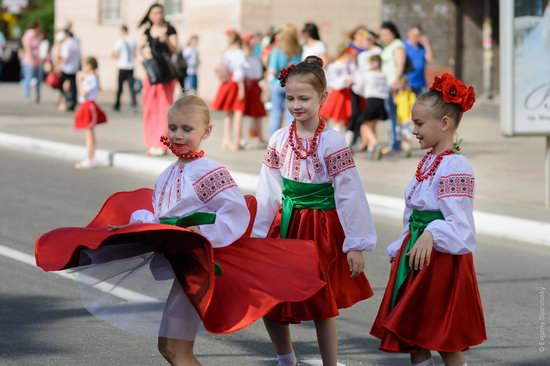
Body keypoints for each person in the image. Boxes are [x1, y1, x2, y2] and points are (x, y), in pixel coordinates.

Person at [35, 94, 326, 366]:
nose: (177, 135)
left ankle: (287, 358)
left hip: (204, 265)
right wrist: (134, 224)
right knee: (169, 347)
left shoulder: (208, 171)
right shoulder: (169, 173)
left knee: (174, 348)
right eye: (173, 127)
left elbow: (235, 211)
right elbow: (163, 215)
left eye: (187, 128)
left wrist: (202, 232)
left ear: (206, 132)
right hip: (186, 264)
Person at [254, 56, 377, 366]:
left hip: (320, 228)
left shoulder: (332, 142)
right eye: (290, 98)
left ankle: (330, 364)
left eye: (304, 98)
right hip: (287, 223)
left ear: (323, 98)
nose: (297, 105)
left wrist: (356, 243)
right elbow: (268, 187)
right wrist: (258, 231)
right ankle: (286, 358)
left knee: (322, 303)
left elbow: (350, 193)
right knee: (271, 295)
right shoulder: (280, 139)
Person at [370, 73, 486, 366]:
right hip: (417, 253)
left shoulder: (455, 165)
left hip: (442, 261)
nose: (413, 131)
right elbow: (412, 213)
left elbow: (461, 226)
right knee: (413, 334)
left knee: (444, 338)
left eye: (419, 124)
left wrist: (432, 233)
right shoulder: (429, 162)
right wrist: (402, 245)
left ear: (444, 124)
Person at [139, 3, 179, 156]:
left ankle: (162, 144)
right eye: (154, 13)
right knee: (150, 109)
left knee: (164, 109)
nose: (157, 15)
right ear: (150, 15)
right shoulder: (147, 31)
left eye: (159, 12)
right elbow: (141, 48)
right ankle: (151, 142)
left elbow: (175, 48)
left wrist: (166, 40)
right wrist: (145, 52)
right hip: (152, 74)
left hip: (166, 74)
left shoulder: (170, 29)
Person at [212, 29, 246, 150]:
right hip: (235, 83)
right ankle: (236, 141)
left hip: (226, 83)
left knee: (228, 113)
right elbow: (239, 71)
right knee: (238, 112)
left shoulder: (226, 53)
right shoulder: (239, 53)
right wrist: (242, 87)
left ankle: (226, 139)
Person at [267, 25, 302, 137]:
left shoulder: (277, 50)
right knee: (291, 115)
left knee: (275, 114)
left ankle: (273, 142)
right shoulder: (299, 49)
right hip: (293, 85)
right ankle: (290, 141)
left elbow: (272, 70)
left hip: (277, 84)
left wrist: (270, 83)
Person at [73, 56, 107, 169]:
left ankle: (90, 158)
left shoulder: (91, 78)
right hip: (87, 105)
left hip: (88, 105)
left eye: (85, 65)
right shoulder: (92, 77)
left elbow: (83, 93)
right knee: (89, 135)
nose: (83, 67)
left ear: (90, 65)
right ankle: (91, 158)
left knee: (89, 135)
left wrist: (79, 81)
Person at [379, 21, 406, 156]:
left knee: (395, 115)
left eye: (385, 33)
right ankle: (394, 142)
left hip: (393, 85)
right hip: (386, 84)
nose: (383, 36)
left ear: (393, 33)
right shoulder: (387, 46)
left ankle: (395, 143)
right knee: (391, 115)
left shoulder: (397, 45)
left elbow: (400, 65)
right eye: (381, 34)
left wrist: (395, 82)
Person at [354, 55, 388, 159]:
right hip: (381, 101)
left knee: (364, 126)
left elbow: (358, 88)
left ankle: (376, 144)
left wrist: (353, 87)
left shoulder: (367, 74)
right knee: (372, 126)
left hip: (371, 100)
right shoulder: (383, 75)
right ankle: (371, 150)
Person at [319, 43, 355, 132]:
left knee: (338, 119)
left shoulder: (342, 64)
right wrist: (346, 79)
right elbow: (334, 81)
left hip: (342, 92)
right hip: (337, 92)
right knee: (334, 118)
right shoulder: (338, 65)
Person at [241, 32, 267, 148]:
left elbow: (261, 69)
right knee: (242, 113)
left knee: (258, 113)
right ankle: (241, 137)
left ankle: (260, 137)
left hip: (256, 84)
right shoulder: (243, 55)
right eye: (252, 41)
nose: (255, 43)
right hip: (247, 84)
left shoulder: (257, 54)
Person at [112, 24, 138, 112]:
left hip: (122, 66)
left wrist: (114, 55)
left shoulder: (120, 40)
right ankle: (134, 104)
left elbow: (115, 54)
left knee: (120, 87)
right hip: (130, 66)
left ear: (122, 31)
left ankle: (117, 104)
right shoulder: (133, 40)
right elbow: (135, 53)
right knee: (131, 87)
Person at [405, 25, 435, 96]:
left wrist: (427, 45)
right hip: (407, 85)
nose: (416, 37)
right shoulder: (403, 46)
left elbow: (430, 59)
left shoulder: (422, 48)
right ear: (409, 34)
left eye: (419, 35)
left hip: (421, 84)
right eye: (415, 35)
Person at [20, 21, 44, 104]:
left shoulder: (37, 36)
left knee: (39, 79)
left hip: (38, 60)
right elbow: (28, 48)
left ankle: (38, 96)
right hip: (29, 61)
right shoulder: (29, 35)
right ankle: (27, 96)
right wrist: (32, 60)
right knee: (28, 78)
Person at [393, 76, 416, 157]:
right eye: (400, 85)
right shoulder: (399, 94)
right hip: (400, 119)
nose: (402, 87)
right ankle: (405, 149)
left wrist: (411, 117)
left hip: (407, 119)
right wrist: (394, 92)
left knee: (406, 135)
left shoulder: (410, 94)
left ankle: (407, 149)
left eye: (403, 85)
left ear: (407, 84)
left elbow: (413, 106)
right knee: (401, 135)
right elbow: (395, 102)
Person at [59, 29, 81, 111]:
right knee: (73, 86)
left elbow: (66, 57)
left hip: (66, 67)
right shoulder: (76, 44)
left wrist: (60, 62)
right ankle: (73, 101)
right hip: (75, 67)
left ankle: (66, 100)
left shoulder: (66, 44)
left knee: (62, 85)